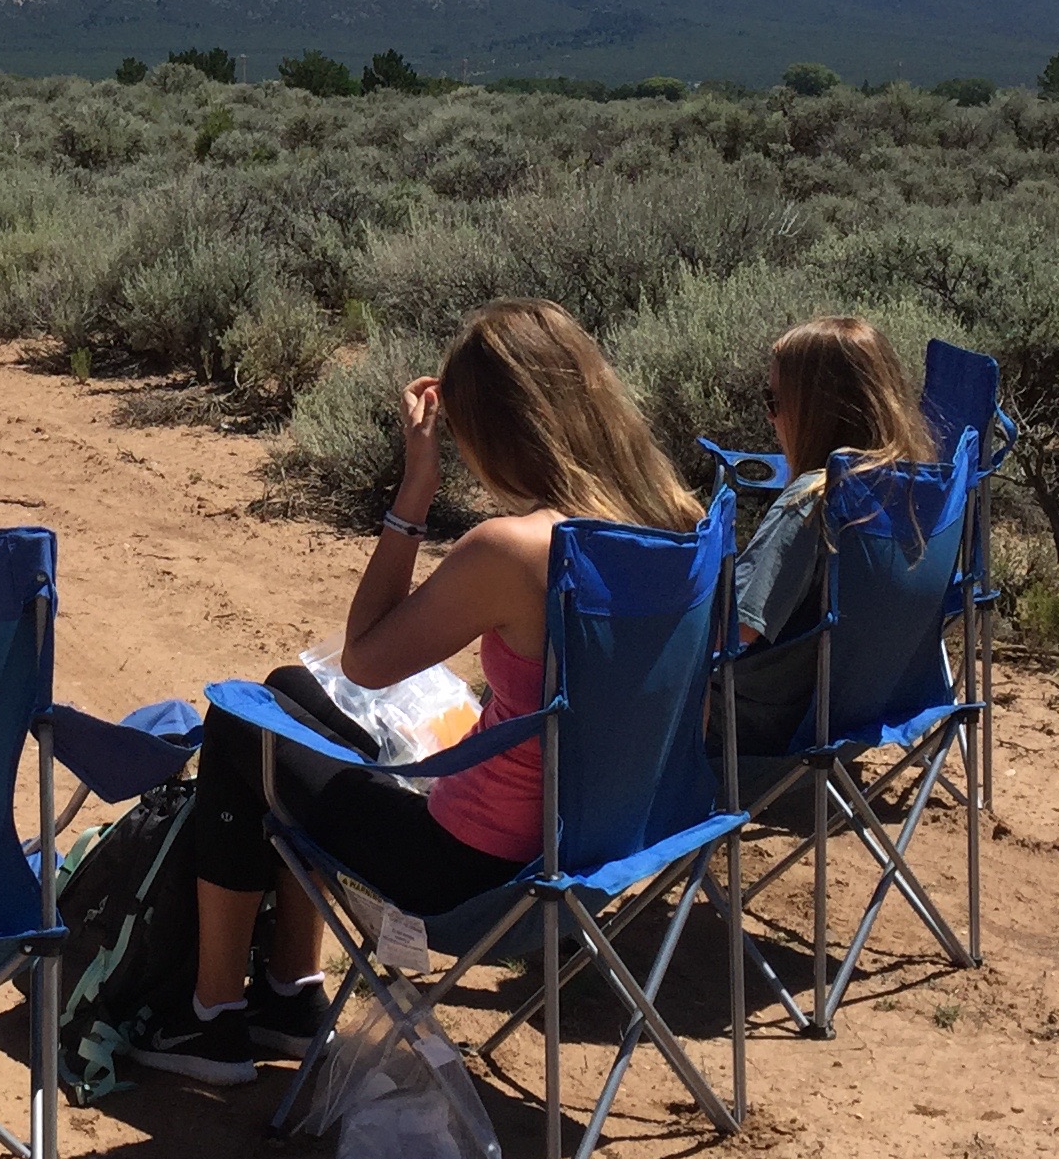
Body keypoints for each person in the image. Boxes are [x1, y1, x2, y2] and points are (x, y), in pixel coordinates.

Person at [132, 298, 707, 1084]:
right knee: (292, 690)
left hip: (466, 872)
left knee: (239, 722)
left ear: (499, 429)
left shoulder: (515, 550)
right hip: (603, 847)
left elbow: (365, 660)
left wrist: (415, 487)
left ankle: (212, 1017)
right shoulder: (683, 526)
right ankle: (290, 993)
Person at [723, 315, 935, 753]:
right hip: (867, 712)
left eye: (774, 400)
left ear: (816, 411)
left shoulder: (810, 503)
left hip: (760, 724)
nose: (769, 415)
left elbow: (736, 627)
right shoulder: (919, 491)